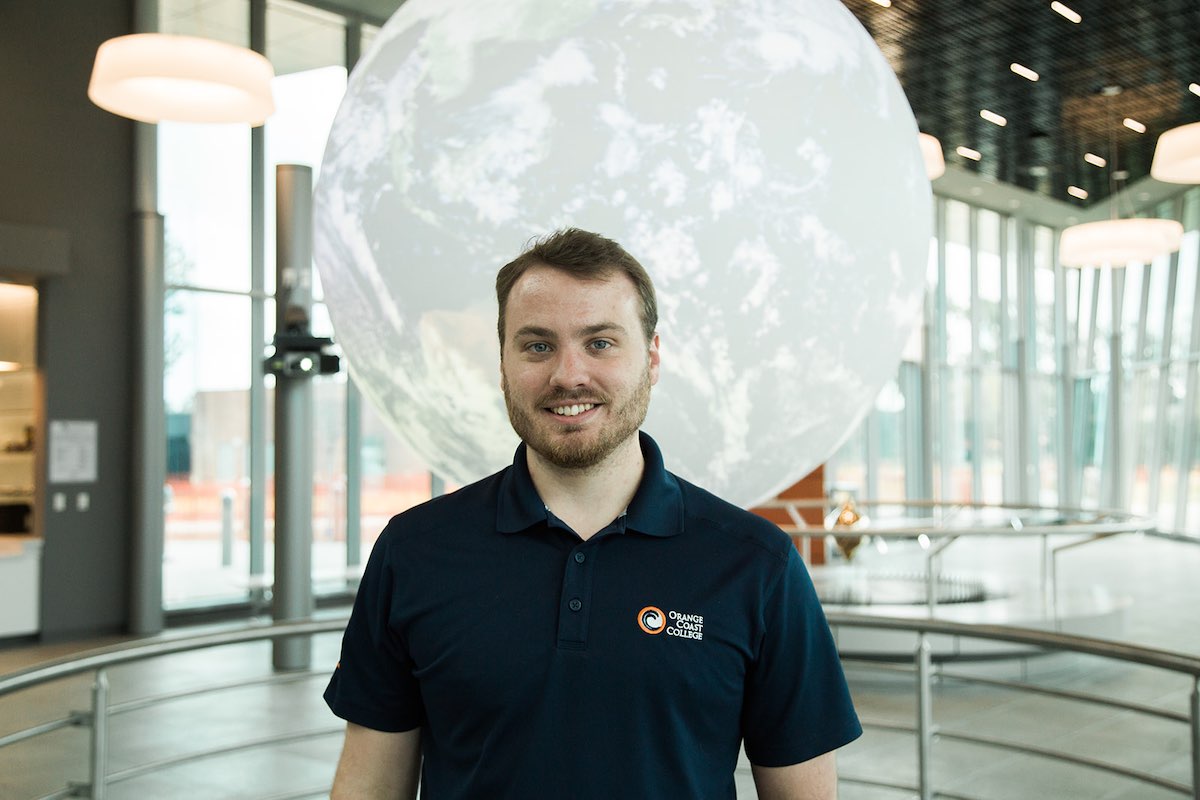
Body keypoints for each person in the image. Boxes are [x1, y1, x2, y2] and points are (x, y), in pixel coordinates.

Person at [324, 228, 862, 799]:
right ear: (503, 363)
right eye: (537, 345)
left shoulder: (758, 566)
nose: (568, 375)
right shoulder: (415, 551)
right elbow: (369, 786)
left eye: (600, 343)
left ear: (652, 359)